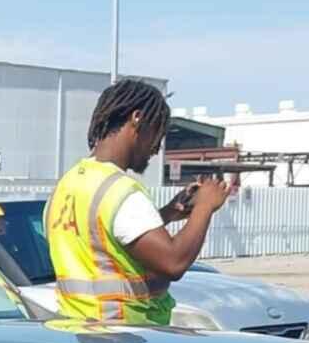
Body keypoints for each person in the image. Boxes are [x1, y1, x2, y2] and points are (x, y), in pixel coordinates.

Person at [45, 78, 231, 325]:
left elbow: (105, 241)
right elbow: (173, 263)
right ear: (137, 118)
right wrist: (205, 207)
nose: (156, 148)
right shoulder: (121, 190)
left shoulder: (67, 185)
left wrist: (166, 214)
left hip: (78, 331)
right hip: (123, 337)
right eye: (158, 133)